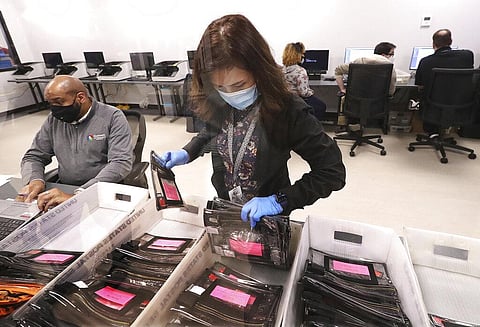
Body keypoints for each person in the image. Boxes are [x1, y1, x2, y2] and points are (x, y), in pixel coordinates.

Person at [157, 14, 346, 228]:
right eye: (220, 88)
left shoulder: (288, 110)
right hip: (227, 206)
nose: (229, 94)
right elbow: (214, 130)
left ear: (260, 71)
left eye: (238, 85)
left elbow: (332, 172)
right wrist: (189, 151)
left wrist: (279, 200)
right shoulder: (220, 101)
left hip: (267, 216)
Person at [18, 75, 133, 211]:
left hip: (102, 190)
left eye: (59, 102)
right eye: (50, 103)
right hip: (66, 187)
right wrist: (35, 180)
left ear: (80, 97)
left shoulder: (112, 117)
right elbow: (34, 156)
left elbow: (120, 163)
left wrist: (79, 194)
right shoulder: (54, 120)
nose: (55, 109)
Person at [415, 28, 474, 138]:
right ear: (451, 42)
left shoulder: (426, 61)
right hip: (461, 105)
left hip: (434, 106)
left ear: (433, 44)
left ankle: (433, 133)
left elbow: (420, 86)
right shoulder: (467, 56)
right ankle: (444, 131)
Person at [334, 42, 397, 132]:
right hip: (376, 105)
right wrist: (388, 95)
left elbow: (338, 70)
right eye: (392, 54)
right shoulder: (389, 67)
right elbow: (391, 89)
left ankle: (352, 126)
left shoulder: (360, 61)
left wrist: (342, 89)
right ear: (384, 55)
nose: (392, 57)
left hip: (354, 103)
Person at [282, 42, 327, 120]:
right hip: (298, 100)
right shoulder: (300, 71)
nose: (303, 56)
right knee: (321, 106)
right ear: (298, 55)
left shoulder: (282, 69)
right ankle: (312, 127)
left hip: (287, 99)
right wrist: (311, 92)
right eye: (302, 54)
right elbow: (304, 93)